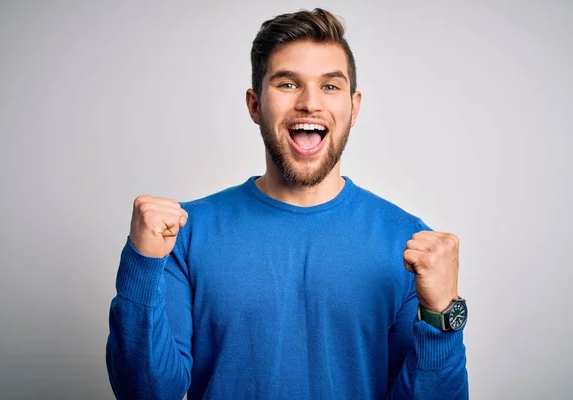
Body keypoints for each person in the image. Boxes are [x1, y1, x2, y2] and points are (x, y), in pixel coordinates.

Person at [106, 8, 469, 399]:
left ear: (354, 106)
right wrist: (142, 265)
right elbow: (145, 393)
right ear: (254, 105)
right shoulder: (184, 232)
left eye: (330, 86)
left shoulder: (408, 241)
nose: (310, 103)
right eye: (288, 84)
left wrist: (442, 314)